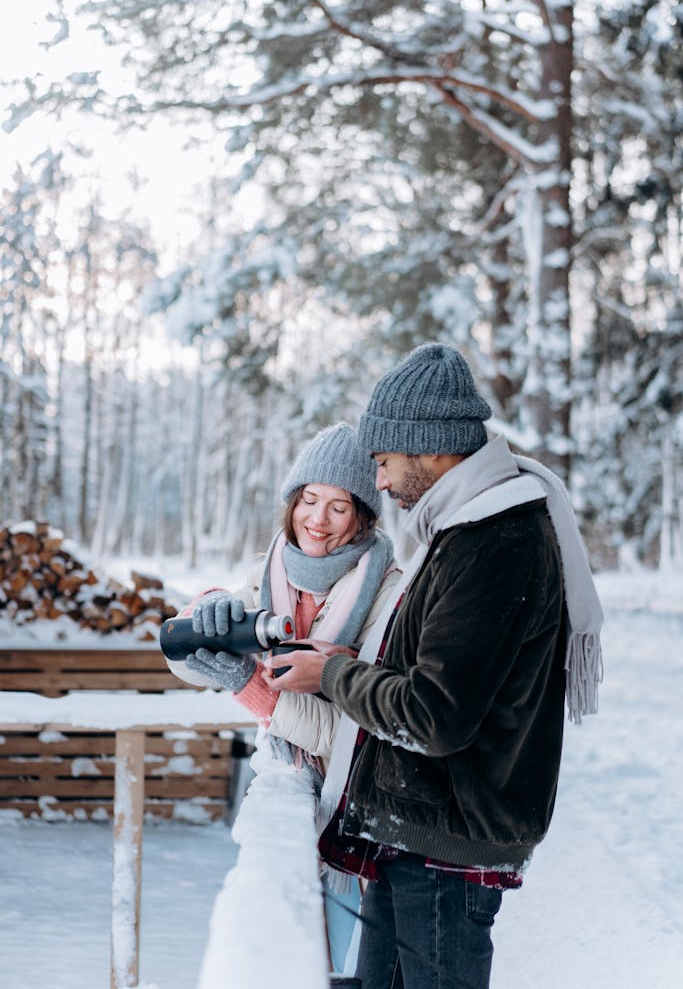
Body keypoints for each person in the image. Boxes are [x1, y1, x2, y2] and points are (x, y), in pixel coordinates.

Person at [261, 343, 604, 989]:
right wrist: (343, 659)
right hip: (418, 833)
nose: (381, 482)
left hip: (445, 848)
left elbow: (434, 714)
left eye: (385, 462)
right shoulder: (460, 531)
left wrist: (330, 677)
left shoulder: (493, 543)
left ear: (431, 447)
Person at [164, 421, 400, 973]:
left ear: (363, 517)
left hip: (357, 810)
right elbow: (190, 668)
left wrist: (252, 690)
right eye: (309, 500)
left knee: (341, 965)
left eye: (339, 507)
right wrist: (206, 609)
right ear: (291, 502)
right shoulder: (267, 574)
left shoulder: (388, 593)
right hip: (289, 786)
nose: (317, 520)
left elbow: (349, 735)